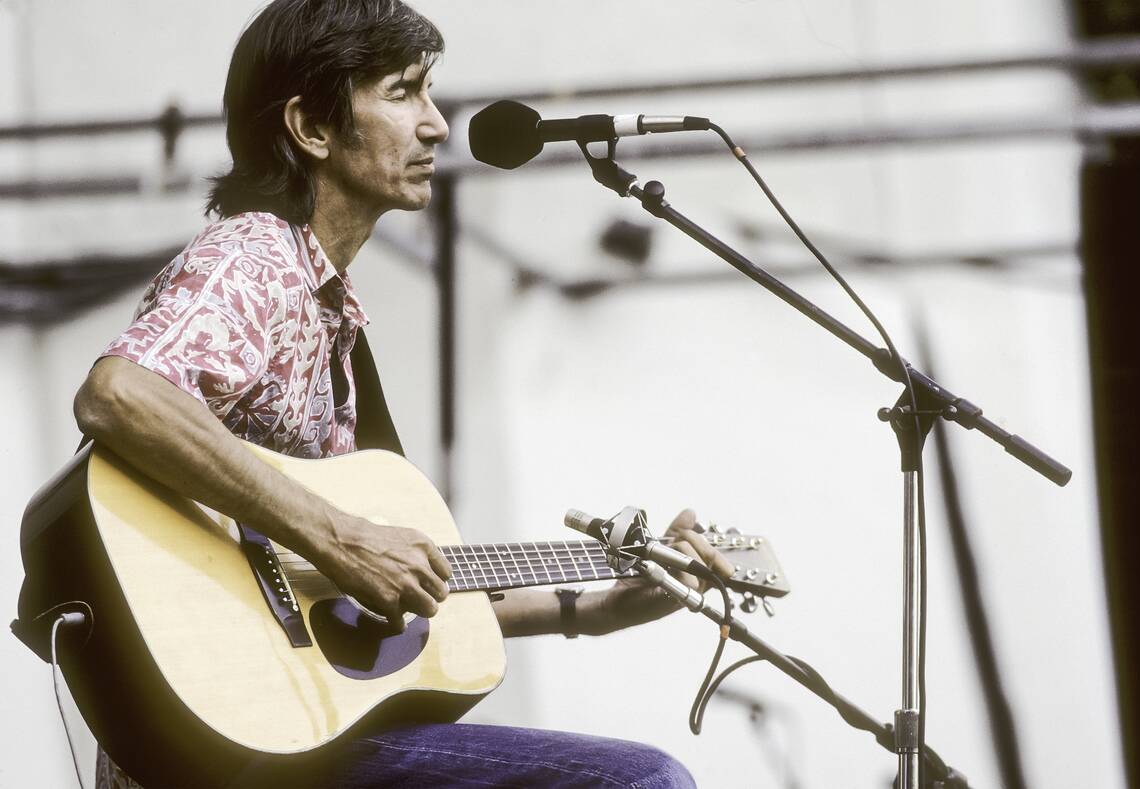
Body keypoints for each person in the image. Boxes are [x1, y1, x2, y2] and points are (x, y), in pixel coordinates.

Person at [73, 1, 732, 787]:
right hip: (235, 753)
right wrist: (340, 535)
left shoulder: (331, 312)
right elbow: (120, 393)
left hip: (278, 729)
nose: (438, 125)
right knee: (642, 782)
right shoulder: (254, 259)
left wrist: (587, 611)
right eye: (403, 91)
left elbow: (370, 604)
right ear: (311, 129)